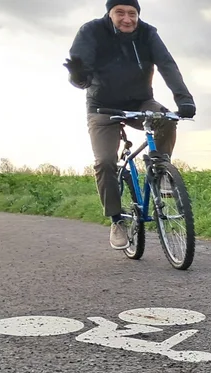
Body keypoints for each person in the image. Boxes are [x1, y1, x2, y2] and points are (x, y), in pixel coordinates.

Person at [64, 0, 196, 250]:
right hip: (102, 106)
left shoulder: (148, 33)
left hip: (141, 101)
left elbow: (167, 65)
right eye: (120, 12)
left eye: (132, 13)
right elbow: (82, 70)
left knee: (167, 119)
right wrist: (79, 76)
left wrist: (184, 99)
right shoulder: (91, 31)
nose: (127, 18)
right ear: (109, 14)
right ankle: (117, 220)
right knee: (105, 162)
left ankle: (160, 170)